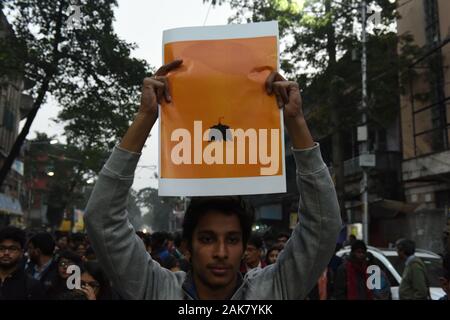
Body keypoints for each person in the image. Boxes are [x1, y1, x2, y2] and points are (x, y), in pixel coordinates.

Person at [85, 60, 342, 299]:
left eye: (232, 240)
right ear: (186, 247)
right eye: (207, 239)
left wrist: (295, 121)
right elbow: (102, 218)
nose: (221, 253)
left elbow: (322, 226)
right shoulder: (157, 289)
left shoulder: (269, 290)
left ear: (244, 248)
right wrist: (145, 117)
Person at [0, 226, 45, 300]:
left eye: (12, 249)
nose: (6, 253)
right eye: (1, 248)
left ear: (21, 253)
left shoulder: (31, 286)